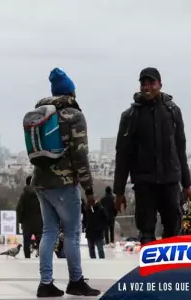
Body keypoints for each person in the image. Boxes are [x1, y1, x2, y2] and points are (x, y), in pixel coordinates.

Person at [32, 68, 100, 297]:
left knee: (48, 231)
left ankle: (45, 283)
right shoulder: (74, 115)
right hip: (64, 182)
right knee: (71, 233)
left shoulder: (41, 112)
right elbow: (80, 155)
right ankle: (76, 281)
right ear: (71, 91)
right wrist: (89, 190)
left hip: (40, 180)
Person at [113, 67, 191, 245]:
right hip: (144, 184)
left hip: (170, 181)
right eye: (143, 83)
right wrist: (118, 191)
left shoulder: (173, 111)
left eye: (151, 83)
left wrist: (187, 183)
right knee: (146, 232)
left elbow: (180, 148)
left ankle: (170, 271)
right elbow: (123, 155)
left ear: (160, 85)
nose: (147, 87)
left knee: (173, 229)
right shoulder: (130, 115)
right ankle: (149, 272)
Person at [16, 175, 42, 259]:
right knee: (41, 241)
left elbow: (20, 209)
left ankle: (27, 257)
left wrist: (21, 221)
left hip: (27, 222)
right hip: (40, 222)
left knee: (26, 242)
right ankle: (43, 257)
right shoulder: (41, 194)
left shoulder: (24, 195)